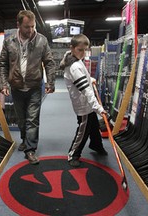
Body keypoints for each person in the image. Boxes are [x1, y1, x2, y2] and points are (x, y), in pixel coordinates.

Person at [0, 10, 55, 165]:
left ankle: (30, 150)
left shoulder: (41, 41)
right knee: (21, 120)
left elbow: (49, 62)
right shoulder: (9, 42)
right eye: (26, 27)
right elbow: (2, 64)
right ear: (18, 25)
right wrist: (3, 84)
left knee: (32, 119)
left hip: (35, 86)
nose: (30, 30)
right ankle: (25, 139)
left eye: (32, 26)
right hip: (16, 87)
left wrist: (50, 82)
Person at [60, 34, 108, 167]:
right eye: (80, 50)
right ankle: (73, 154)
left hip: (86, 103)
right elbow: (86, 91)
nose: (83, 53)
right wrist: (99, 108)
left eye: (85, 50)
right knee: (83, 130)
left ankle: (96, 145)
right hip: (83, 105)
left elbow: (82, 79)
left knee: (93, 126)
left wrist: (89, 79)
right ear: (72, 48)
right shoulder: (74, 66)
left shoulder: (74, 59)